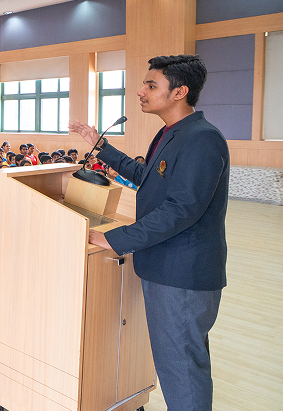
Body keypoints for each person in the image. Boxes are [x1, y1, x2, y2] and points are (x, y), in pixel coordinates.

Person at [69, 55, 228, 411]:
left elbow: (181, 209)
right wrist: (102, 147)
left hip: (182, 275)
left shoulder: (202, 139)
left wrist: (115, 238)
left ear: (180, 92)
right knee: (179, 364)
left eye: (151, 85)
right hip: (168, 268)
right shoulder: (172, 133)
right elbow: (150, 181)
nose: (140, 91)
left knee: (181, 368)